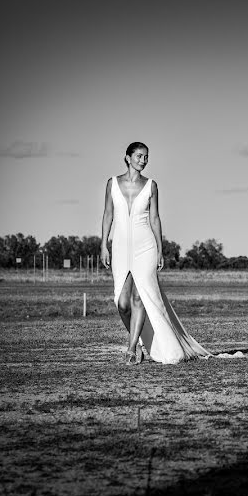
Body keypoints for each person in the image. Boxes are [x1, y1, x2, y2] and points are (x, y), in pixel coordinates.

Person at [101, 142, 211, 364]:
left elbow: (155, 218)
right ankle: (141, 341)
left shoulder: (151, 186)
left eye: (146, 157)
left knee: (140, 298)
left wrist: (160, 249)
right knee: (122, 303)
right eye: (139, 156)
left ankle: (132, 350)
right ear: (127, 157)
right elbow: (107, 214)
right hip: (121, 247)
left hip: (146, 247)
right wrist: (103, 244)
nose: (143, 160)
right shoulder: (112, 184)